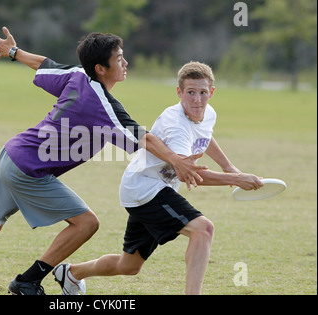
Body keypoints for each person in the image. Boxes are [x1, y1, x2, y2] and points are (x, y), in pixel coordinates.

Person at [0, 27, 206, 295]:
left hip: (12, 155)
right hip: (29, 170)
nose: (125, 62)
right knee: (87, 223)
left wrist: (14, 51)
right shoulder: (104, 105)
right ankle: (27, 282)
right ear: (100, 68)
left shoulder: (75, 75)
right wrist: (177, 162)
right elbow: (146, 138)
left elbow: (44, 64)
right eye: (119, 58)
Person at [54, 61, 265, 295]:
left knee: (130, 265)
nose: (197, 100)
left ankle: (71, 273)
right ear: (179, 92)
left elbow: (205, 135)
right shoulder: (175, 123)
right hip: (145, 189)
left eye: (203, 93)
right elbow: (189, 174)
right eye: (190, 93)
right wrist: (236, 180)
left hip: (150, 188)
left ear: (211, 92)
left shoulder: (208, 114)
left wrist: (229, 168)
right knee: (203, 229)